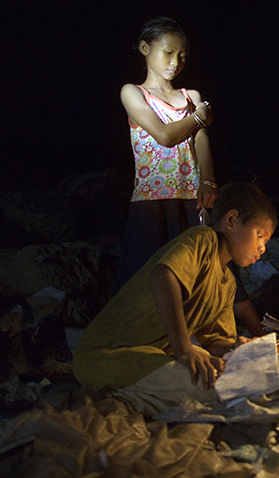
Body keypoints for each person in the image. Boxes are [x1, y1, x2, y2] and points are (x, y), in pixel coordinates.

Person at [73, 183, 276, 415]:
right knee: (215, 391)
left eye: (266, 243)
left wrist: (238, 350)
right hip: (106, 354)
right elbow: (163, 276)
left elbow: (215, 341)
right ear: (231, 220)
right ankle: (115, 395)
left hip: (150, 356)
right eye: (259, 235)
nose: (262, 248)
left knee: (230, 382)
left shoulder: (227, 282)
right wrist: (183, 348)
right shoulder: (203, 240)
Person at [115, 16, 218, 291]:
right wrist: (198, 118)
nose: (175, 62)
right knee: (145, 276)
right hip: (151, 198)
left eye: (182, 56)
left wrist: (208, 181)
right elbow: (164, 135)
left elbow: (201, 141)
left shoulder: (191, 96)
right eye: (168, 52)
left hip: (190, 195)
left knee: (193, 274)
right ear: (145, 49)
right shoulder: (133, 93)